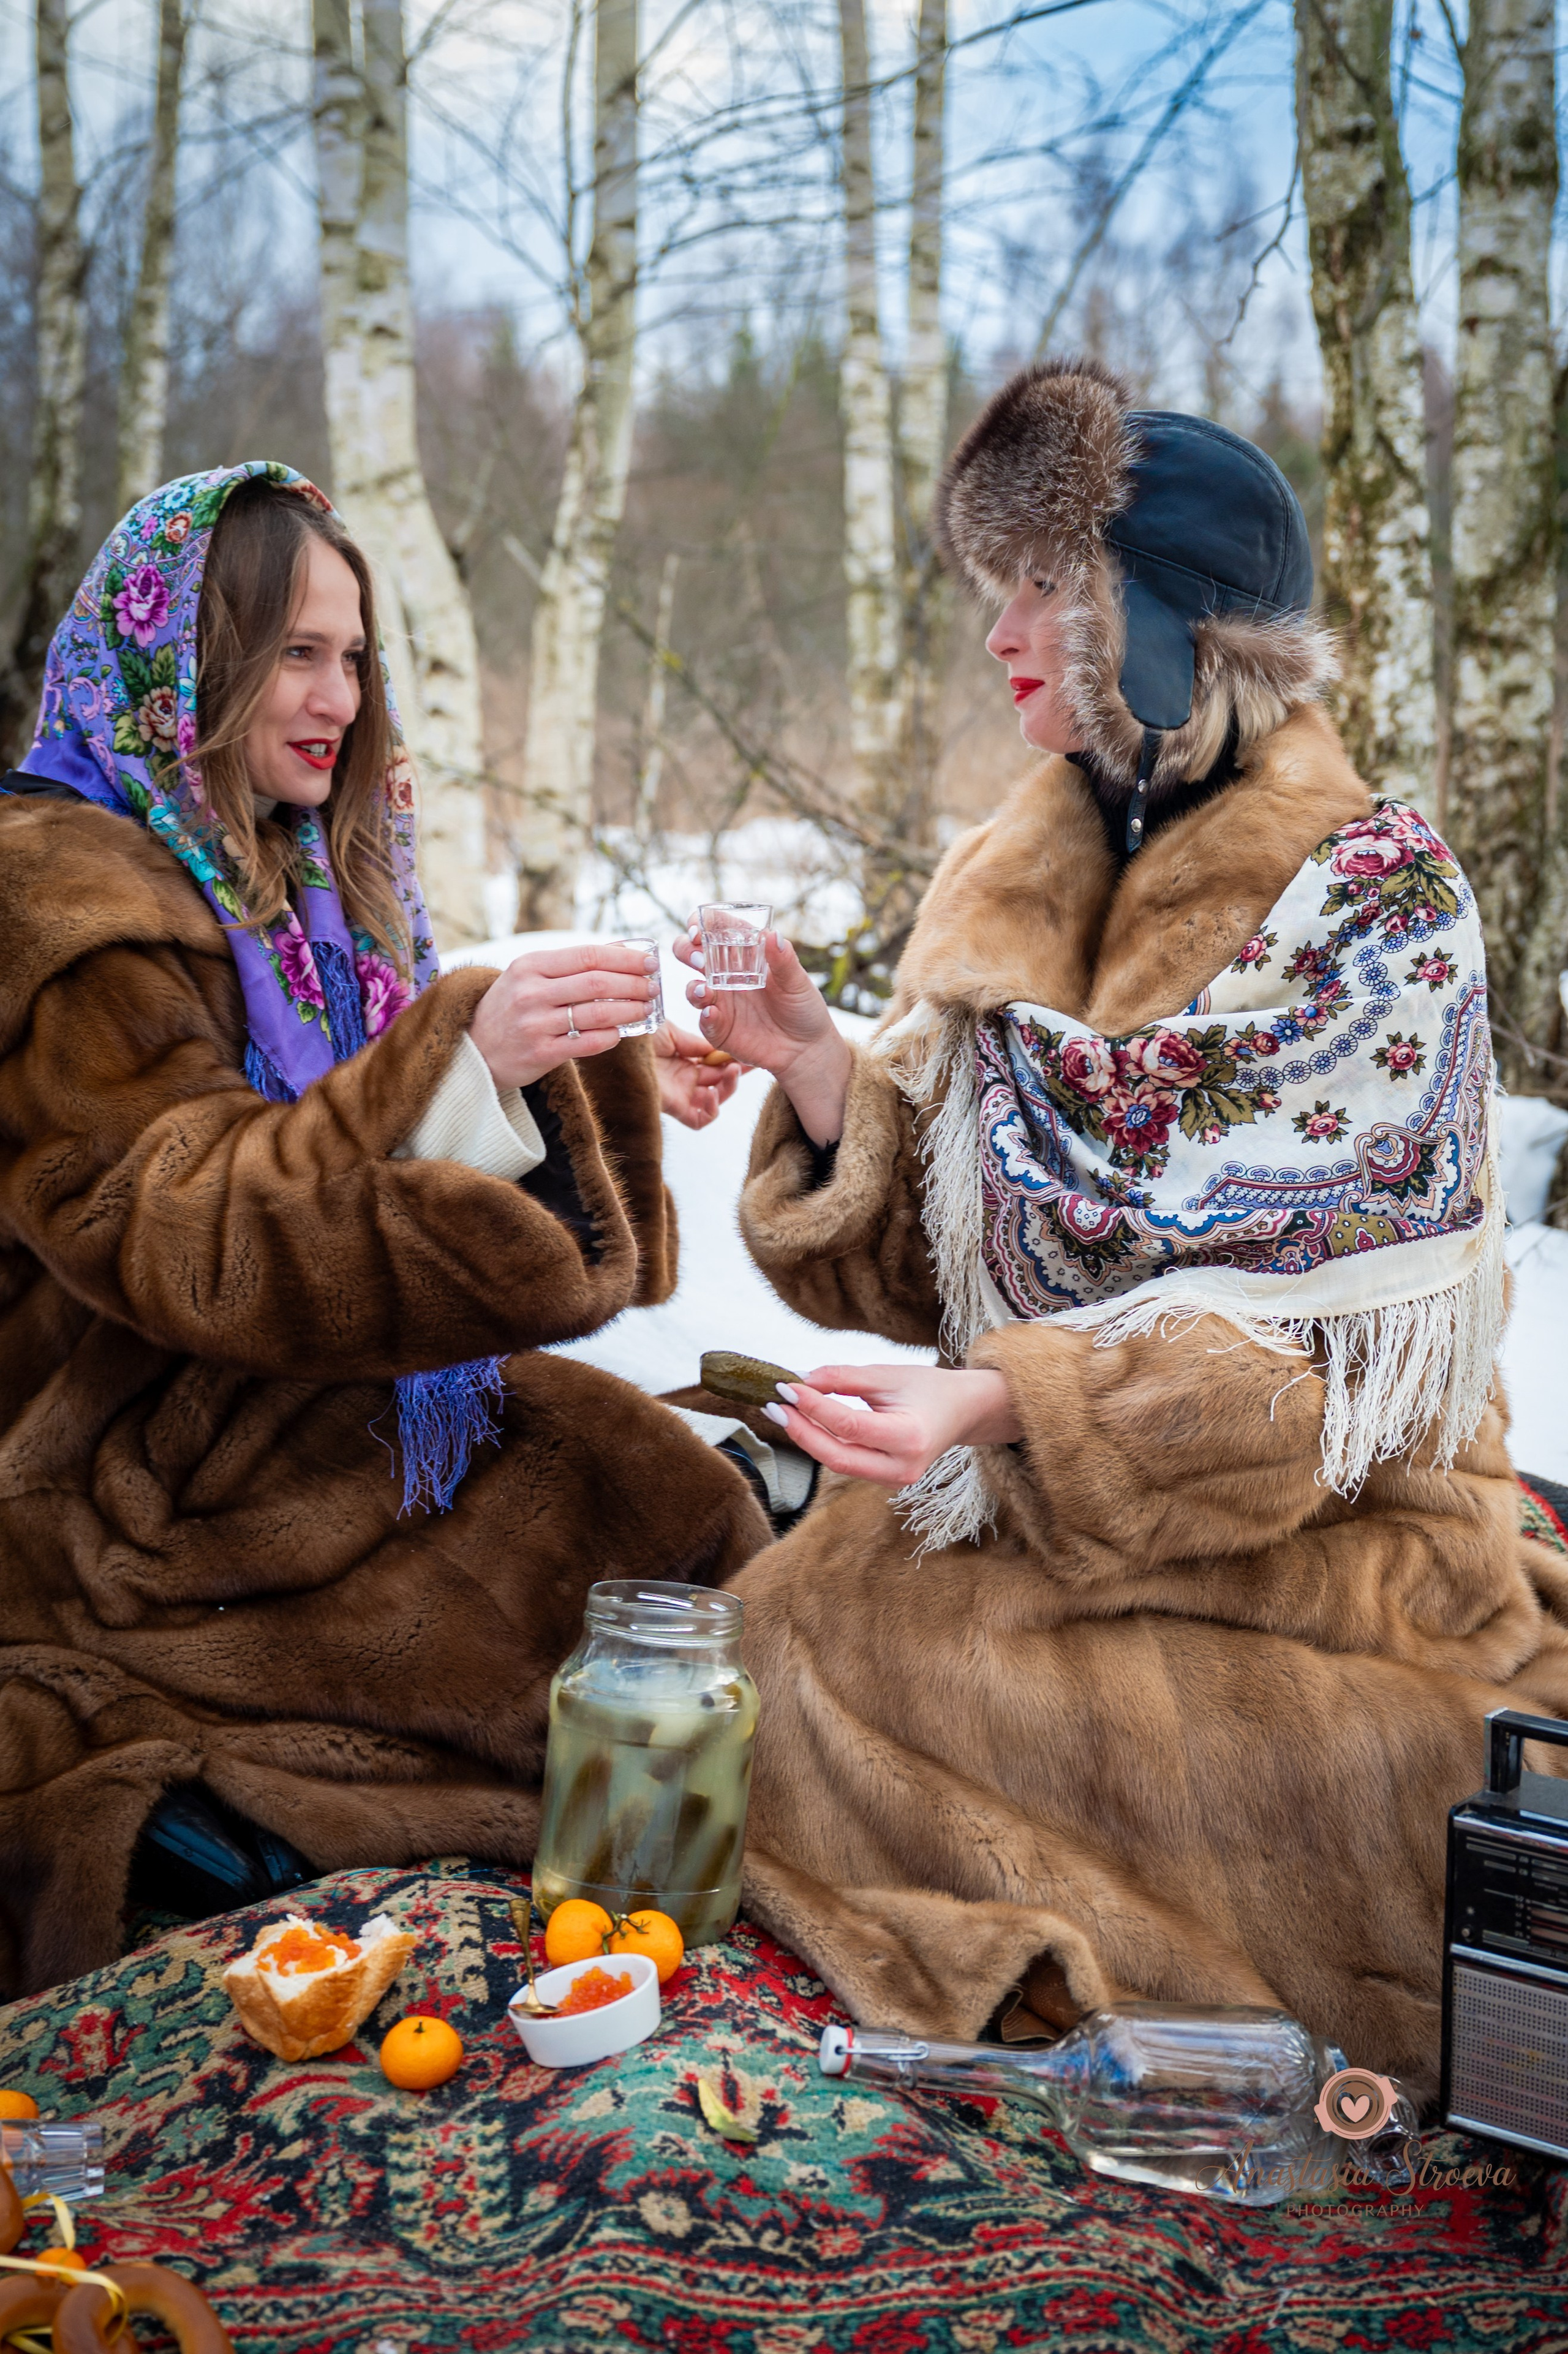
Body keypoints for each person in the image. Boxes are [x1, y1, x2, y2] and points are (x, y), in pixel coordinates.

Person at [679, 359, 1568, 2100]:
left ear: (1164, 622)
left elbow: (1317, 1376)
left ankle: (1140, 2017)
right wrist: (815, 1067)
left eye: (1043, 585)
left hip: (1325, 1553)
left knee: (839, 1672)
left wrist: (1003, 1402)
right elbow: (962, 1254)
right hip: (1055, 1508)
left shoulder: (1379, 908)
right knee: (758, 1643)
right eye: (997, 585)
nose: (1001, 631)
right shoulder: (1016, 868)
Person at [0, 461, 771, 1999]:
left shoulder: (266, 860)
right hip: (118, 1478)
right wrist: (464, 1062)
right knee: (559, 1625)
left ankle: (691, 1863)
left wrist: (564, 1061)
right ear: (187, 658)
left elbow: (351, 1092)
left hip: (281, 1405)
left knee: (666, 1504)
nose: (339, 697)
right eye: (295, 652)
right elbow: (185, 1225)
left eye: (353, 655)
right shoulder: (62, 901)